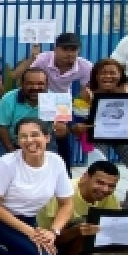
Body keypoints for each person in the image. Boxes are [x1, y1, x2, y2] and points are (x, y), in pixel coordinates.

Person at [0, 117, 74, 255]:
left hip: (27, 219)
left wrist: (53, 232)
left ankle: (5, 252)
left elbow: (67, 204)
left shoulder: (56, 162)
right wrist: (30, 232)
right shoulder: (7, 163)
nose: (29, 141)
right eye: (23, 136)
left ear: (47, 137)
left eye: (34, 135)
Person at [37, 159, 128, 255]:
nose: (105, 189)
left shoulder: (109, 198)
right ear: (85, 177)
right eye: (100, 182)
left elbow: (115, 233)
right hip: (44, 239)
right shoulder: (64, 191)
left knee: (100, 225)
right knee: (85, 225)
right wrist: (76, 231)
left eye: (111, 186)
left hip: (68, 236)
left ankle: (85, 254)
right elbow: (50, 234)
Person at [72, 58, 128, 206]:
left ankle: (127, 209)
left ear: (121, 75)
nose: (108, 76)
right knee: (97, 175)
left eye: (112, 73)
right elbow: (77, 126)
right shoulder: (86, 94)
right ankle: (96, 208)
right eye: (103, 73)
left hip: (127, 135)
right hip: (96, 137)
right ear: (95, 76)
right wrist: (79, 129)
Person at [13, 33, 93, 172]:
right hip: (40, 99)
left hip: (62, 102)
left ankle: (65, 175)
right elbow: (22, 76)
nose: (69, 53)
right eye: (65, 49)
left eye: (73, 49)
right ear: (55, 49)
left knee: (63, 137)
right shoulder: (43, 59)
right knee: (39, 134)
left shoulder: (85, 66)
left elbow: (86, 91)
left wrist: (73, 106)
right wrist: (32, 57)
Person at [0, 67, 68, 153]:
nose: (35, 87)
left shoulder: (59, 100)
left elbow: (63, 130)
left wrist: (61, 129)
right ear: (21, 84)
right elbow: (2, 127)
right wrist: (12, 153)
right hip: (12, 141)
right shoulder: (8, 99)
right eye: (30, 83)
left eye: (40, 84)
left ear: (47, 85)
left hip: (43, 142)